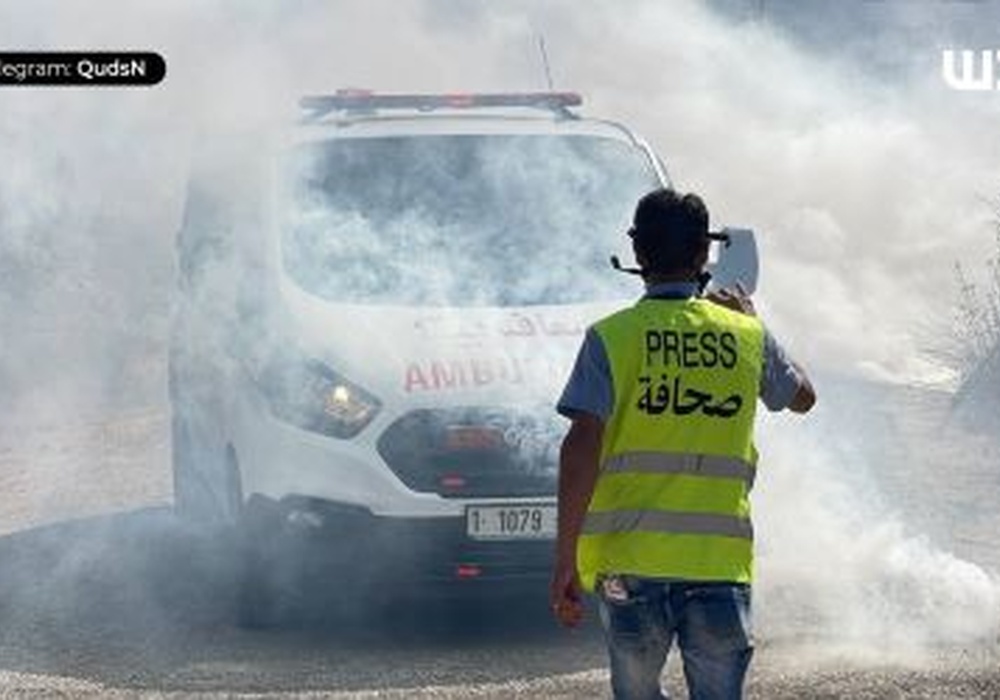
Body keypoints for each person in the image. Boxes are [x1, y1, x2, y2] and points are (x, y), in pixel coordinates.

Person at [550, 187, 816, 700]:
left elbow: (579, 449)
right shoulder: (745, 336)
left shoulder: (610, 338)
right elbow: (802, 397)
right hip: (717, 566)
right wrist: (754, 320)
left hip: (628, 566)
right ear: (704, 254)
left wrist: (564, 557)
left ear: (637, 254)